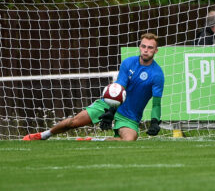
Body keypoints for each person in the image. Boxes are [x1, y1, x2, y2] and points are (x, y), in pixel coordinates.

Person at [23, 33, 165, 141]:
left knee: (129, 140)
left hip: (130, 116)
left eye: (150, 47)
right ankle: (43, 135)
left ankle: (95, 140)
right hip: (108, 104)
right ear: (140, 47)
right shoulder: (128, 63)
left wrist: (154, 122)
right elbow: (118, 89)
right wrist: (110, 112)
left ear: (156, 51)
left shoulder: (157, 74)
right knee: (73, 122)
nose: (146, 50)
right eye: (143, 46)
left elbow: (156, 104)